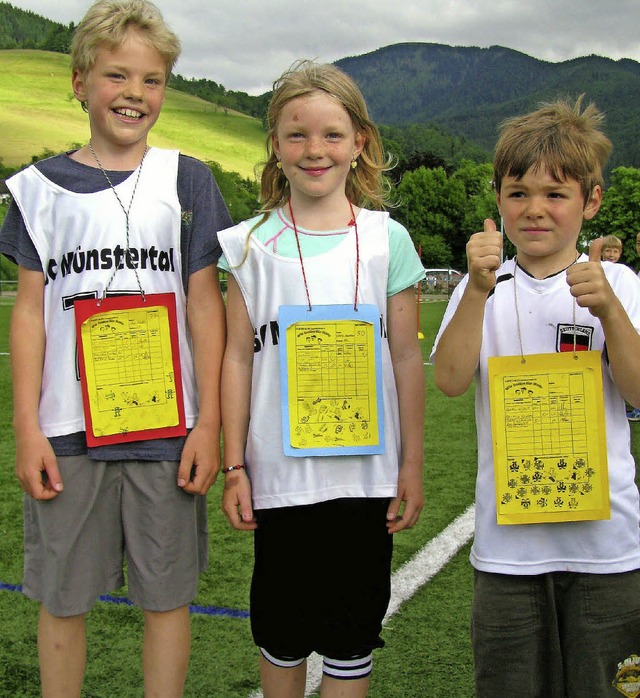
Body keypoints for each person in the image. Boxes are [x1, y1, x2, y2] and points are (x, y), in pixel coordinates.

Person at [0, 1, 232, 695]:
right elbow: (31, 313)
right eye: (116, 75)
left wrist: (211, 424)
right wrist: (27, 426)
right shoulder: (36, 189)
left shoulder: (187, 181)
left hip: (166, 427)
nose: (134, 93)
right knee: (62, 599)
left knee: (166, 598)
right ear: (79, 82)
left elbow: (204, 304)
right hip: (69, 432)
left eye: (152, 80)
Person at [218, 60, 425, 698]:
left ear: (360, 141)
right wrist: (234, 466)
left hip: (366, 479)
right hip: (279, 479)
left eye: (333, 134)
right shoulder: (247, 245)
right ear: (275, 145)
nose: (316, 150)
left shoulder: (386, 239)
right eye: (297, 134)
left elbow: (405, 358)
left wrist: (412, 464)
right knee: (280, 631)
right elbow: (235, 357)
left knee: (350, 636)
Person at [431, 96, 640, 697]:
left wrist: (609, 310)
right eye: (518, 193)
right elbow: (446, 379)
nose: (535, 210)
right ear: (497, 198)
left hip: (608, 548)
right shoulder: (483, 287)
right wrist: (473, 291)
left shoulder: (617, 282)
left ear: (590, 201)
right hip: (509, 553)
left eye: (556, 194)